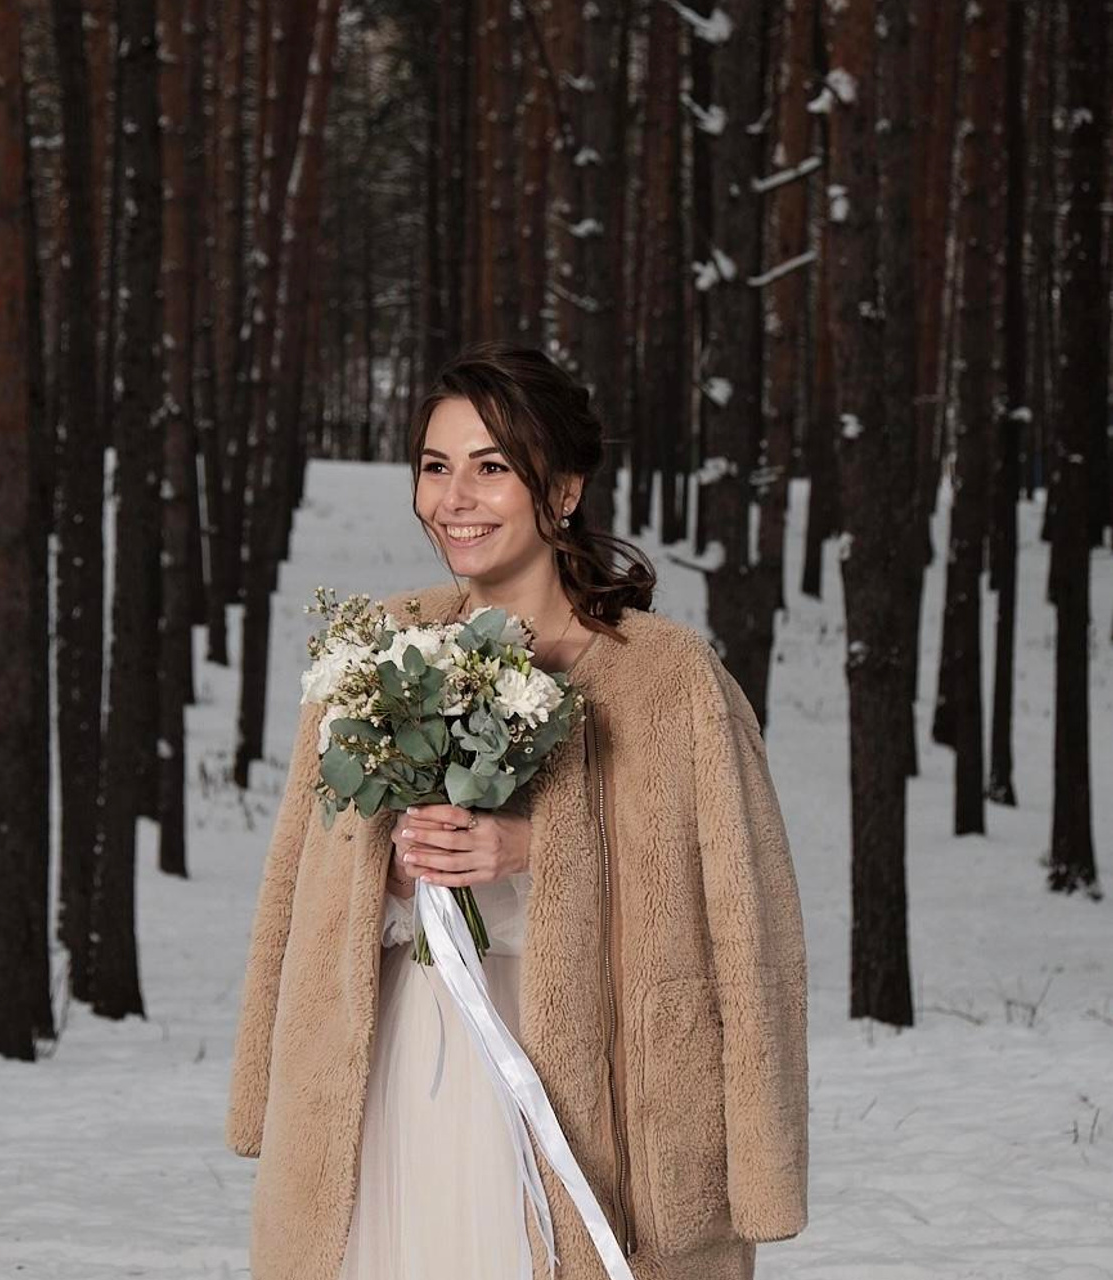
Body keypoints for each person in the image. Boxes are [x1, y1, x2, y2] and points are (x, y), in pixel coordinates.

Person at [226, 340, 809, 1280]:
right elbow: (296, 891)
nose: (454, 498)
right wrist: (393, 860)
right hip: (393, 1082)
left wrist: (539, 846)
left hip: (586, 1105)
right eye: (435, 466)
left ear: (564, 488)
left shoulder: (669, 681)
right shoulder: (378, 652)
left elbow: (750, 926)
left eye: (492, 468)